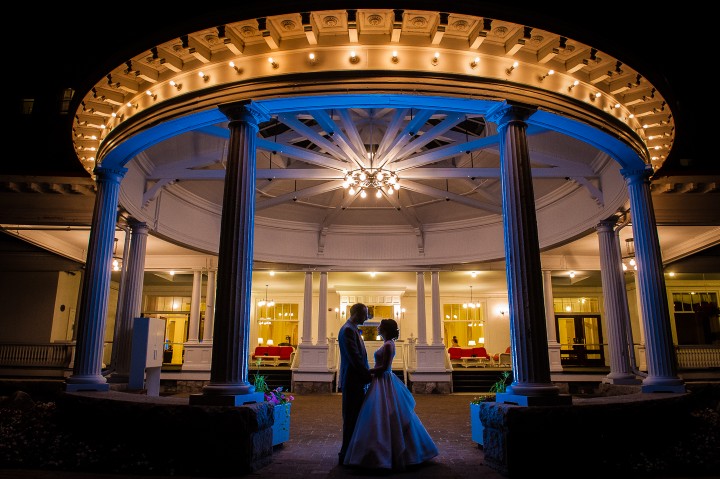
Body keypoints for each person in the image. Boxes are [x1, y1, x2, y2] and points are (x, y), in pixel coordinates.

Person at [344, 318, 439, 470]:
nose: (377, 329)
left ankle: (391, 452)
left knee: (387, 412)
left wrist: (368, 372)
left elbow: (384, 367)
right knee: (379, 414)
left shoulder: (389, 345)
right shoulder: (386, 344)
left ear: (386, 329)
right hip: (380, 381)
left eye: (380, 327)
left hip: (384, 380)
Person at [337, 302, 372, 466]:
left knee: (355, 418)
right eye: (365, 313)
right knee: (351, 419)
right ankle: (346, 455)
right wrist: (367, 376)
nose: (367, 317)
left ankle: (352, 453)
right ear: (357, 313)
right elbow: (355, 358)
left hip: (356, 380)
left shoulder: (352, 329)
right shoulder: (348, 330)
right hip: (352, 381)